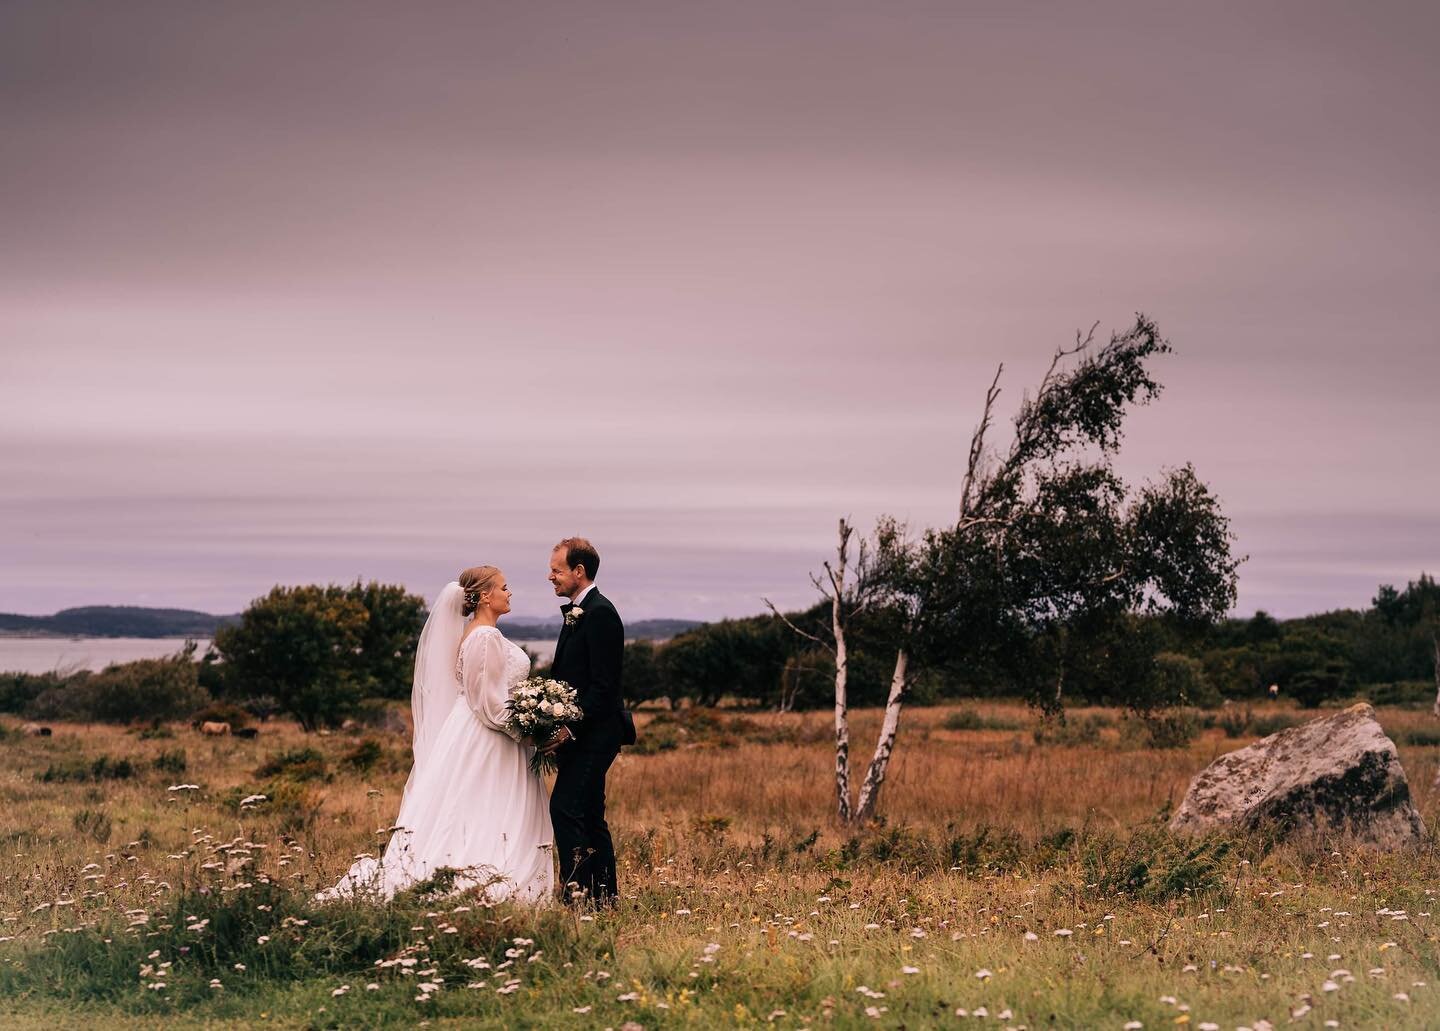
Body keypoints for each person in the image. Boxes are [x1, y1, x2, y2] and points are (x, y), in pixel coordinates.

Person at [318, 566, 554, 903]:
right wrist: (528, 731)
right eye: (504, 587)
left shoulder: (480, 633)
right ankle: (481, 879)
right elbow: (486, 703)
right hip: (489, 738)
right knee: (486, 809)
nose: (509, 592)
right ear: (485, 596)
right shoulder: (484, 636)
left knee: (479, 809)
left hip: (484, 734)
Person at [541, 536, 629, 906]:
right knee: (591, 813)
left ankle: (575, 895)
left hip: (597, 734)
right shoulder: (578, 611)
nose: (550, 577)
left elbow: (604, 687)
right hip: (582, 734)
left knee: (565, 807)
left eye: (556, 570)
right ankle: (604, 896)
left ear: (579, 571)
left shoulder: (601, 613)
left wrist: (568, 726)